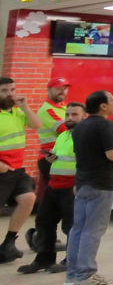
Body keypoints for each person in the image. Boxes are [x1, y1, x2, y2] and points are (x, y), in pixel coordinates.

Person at [66, 89, 113, 285]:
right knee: (93, 229)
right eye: (112, 100)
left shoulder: (80, 127)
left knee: (78, 228)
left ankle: (72, 273)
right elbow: (112, 154)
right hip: (101, 184)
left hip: (84, 182)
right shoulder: (105, 125)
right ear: (103, 106)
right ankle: (85, 274)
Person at [18, 101, 84, 274]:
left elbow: (87, 163)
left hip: (72, 187)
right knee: (44, 221)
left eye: (74, 114)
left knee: (71, 225)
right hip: (54, 185)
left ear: (84, 116)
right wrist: (51, 157)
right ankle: (44, 258)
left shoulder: (84, 136)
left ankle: (70, 259)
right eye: (67, 115)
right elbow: (60, 157)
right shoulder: (63, 136)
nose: (69, 118)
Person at [0, 76, 41, 263]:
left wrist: (25, 106)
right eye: (5, 91)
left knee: (28, 198)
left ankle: (9, 243)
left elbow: (36, 125)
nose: (10, 94)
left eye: (13, 90)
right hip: (2, 169)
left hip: (17, 169)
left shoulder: (17, 112)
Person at [34, 78, 70, 200]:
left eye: (64, 88)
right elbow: (66, 130)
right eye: (58, 88)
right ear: (48, 90)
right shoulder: (47, 110)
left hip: (61, 158)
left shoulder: (65, 109)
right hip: (50, 159)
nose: (62, 91)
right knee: (52, 197)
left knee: (59, 196)